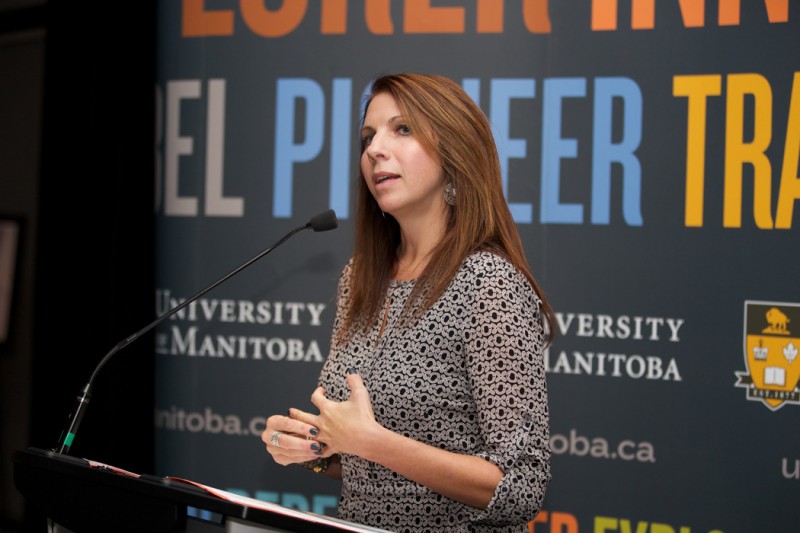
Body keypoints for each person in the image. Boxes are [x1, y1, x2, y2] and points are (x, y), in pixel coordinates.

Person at [262, 72, 554, 533]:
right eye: (368, 136)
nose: (375, 148)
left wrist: (374, 442)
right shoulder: (359, 277)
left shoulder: (488, 283)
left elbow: (520, 486)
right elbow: (366, 462)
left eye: (402, 129)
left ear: (455, 154)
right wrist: (315, 449)